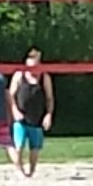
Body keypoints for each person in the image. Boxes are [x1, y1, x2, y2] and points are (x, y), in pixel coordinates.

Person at [9, 47, 56, 177]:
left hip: (37, 118)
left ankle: (31, 172)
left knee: (35, 149)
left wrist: (49, 114)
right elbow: (11, 95)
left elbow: (49, 98)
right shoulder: (19, 75)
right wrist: (14, 110)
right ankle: (19, 171)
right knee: (19, 146)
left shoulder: (44, 77)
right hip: (21, 118)